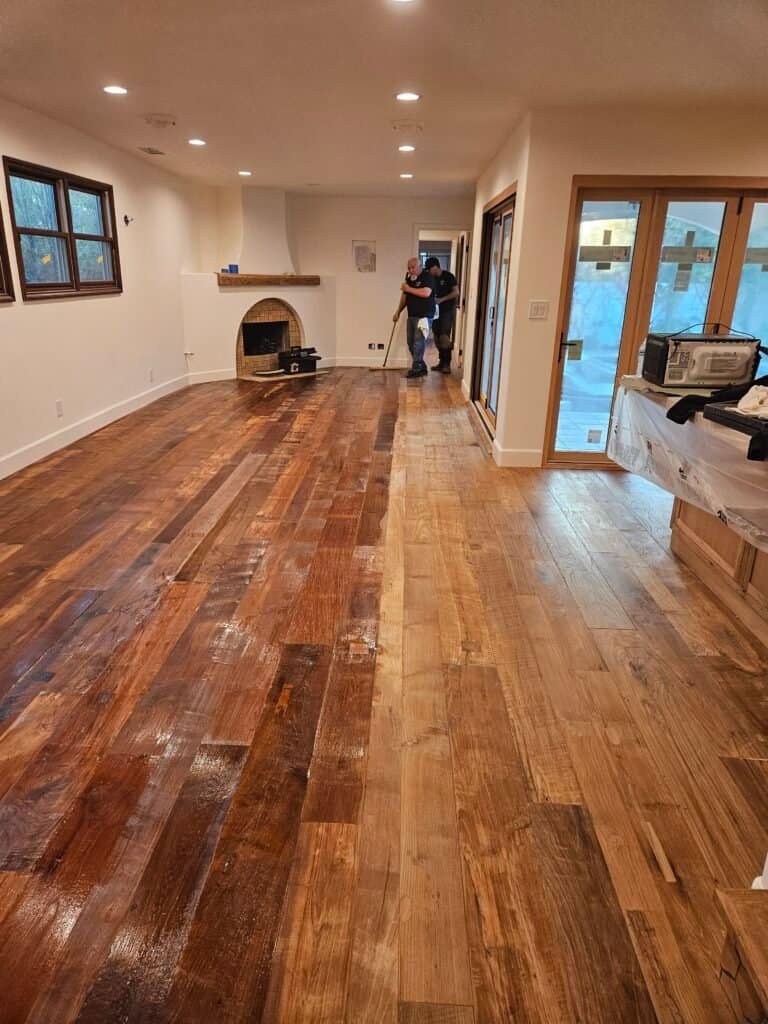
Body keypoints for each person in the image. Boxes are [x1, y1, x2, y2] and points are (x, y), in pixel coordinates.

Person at [393, 257, 434, 379]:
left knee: (418, 342)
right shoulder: (409, 279)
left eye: (413, 268)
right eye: (409, 268)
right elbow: (404, 298)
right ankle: (421, 366)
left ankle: (416, 368)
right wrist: (398, 312)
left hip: (424, 316)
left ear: (419, 266)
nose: (411, 270)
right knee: (410, 342)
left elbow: (426, 293)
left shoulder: (427, 277)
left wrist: (408, 289)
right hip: (411, 315)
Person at [425, 256, 459, 374]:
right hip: (435, 312)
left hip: (447, 311)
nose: (429, 272)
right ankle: (441, 362)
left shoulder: (449, 276)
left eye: (429, 269)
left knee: (444, 337)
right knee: (436, 337)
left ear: (435, 267)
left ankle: (446, 364)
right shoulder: (431, 279)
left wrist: (442, 299)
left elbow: (456, 292)